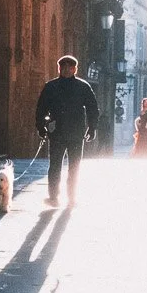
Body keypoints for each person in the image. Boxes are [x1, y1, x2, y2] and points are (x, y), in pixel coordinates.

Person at [33, 55, 99, 207]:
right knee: (55, 166)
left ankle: (71, 197)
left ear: (75, 69)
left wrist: (92, 127)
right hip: (57, 133)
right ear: (59, 69)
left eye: (70, 67)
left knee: (74, 167)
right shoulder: (50, 87)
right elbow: (41, 108)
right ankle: (54, 197)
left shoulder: (83, 87)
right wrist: (41, 127)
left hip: (76, 133)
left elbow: (92, 108)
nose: (67, 70)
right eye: (64, 67)